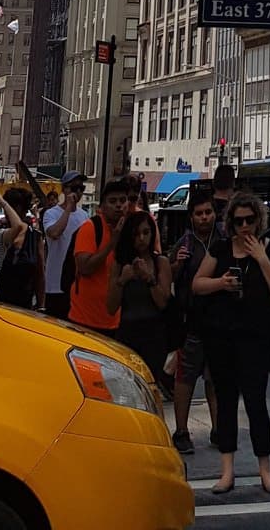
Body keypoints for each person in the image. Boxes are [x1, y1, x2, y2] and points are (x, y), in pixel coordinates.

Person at [192, 189, 270, 498]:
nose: (244, 227)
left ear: (259, 220)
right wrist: (221, 283)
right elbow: (197, 284)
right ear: (230, 223)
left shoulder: (268, 249)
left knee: (256, 403)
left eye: (249, 220)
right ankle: (227, 470)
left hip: (255, 338)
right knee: (226, 402)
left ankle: (265, 469)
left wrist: (261, 258)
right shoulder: (221, 249)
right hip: (222, 336)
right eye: (238, 221)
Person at [170, 183, 223, 454]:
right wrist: (177, 264)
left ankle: (219, 429)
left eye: (208, 212)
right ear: (191, 216)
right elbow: (169, 278)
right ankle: (181, 430)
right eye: (199, 213)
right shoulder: (185, 243)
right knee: (186, 377)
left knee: (216, 378)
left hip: (219, 320)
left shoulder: (223, 239)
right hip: (191, 321)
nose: (204, 217)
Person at [107, 208, 173, 381]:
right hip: (127, 333)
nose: (141, 238)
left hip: (154, 335)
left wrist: (149, 278)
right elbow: (111, 307)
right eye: (136, 234)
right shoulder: (120, 264)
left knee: (151, 382)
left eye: (146, 233)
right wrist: (122, 280)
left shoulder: (161, 262)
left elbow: (163, 302)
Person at [66, 178, 130, 333]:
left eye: (122, 200)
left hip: (115, 321)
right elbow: (84, 268)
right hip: (84, 319)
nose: (118, 205)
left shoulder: (129, 230)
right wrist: (111, 244)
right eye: (112, 201)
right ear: (102, 206)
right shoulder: (90, 227)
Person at [42, 171, 88, 317]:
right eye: (74, 188)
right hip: (55, 283)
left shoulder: (84, 216)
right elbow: (55, 233)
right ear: (64, 189)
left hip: (76, 283)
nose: (78, 192)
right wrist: (68, 208)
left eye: (81, 188)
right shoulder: (51, 214)